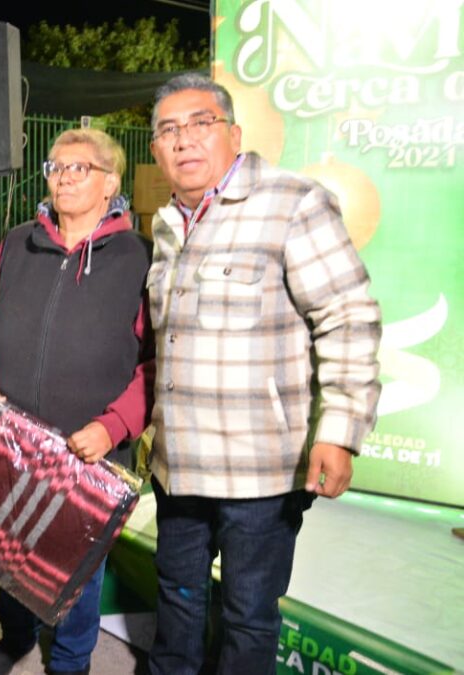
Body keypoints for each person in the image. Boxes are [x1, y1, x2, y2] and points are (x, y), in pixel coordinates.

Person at [144, 73, 382, 674]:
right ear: (156, 148)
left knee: (250, 615)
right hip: (179, 467)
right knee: (176, 601)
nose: (184, 141)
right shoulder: (167, 222)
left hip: (263, 470)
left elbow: (347, 317)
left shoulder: (292, 202)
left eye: (201, 124)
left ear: (233, 133)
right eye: (168, 130)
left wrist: (340, 431)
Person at [0, 128, 153, 675]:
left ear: (111, 181)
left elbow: (155, 359)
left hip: (88, 446)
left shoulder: (138, 256)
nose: (64, 177)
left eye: (80, 168)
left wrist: (114, 427)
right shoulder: (19, 240)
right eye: (56, 166)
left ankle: (71, 662)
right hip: (11, 438)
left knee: (76, 569)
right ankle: (16, 636)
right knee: (8, 549)